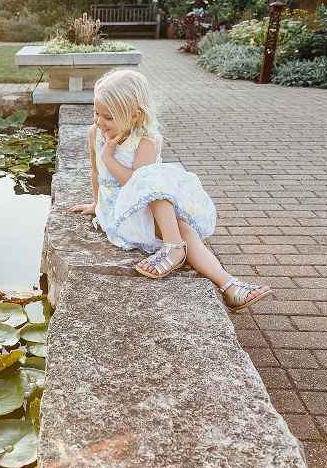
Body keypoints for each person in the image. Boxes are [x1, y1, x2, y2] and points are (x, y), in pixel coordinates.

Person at [70, 69, 271, 312]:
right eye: (96, 113)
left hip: (143, 208)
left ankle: (229, 287)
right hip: (119, 214)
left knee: (175, 214)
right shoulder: (96, 134)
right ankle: (174, 245)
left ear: (134, 116)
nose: (100, 122)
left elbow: (137, 186)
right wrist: (96, 203)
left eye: (108, 117)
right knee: (156, 187)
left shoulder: (146, 140)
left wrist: (109, 156)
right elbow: (96, 174)